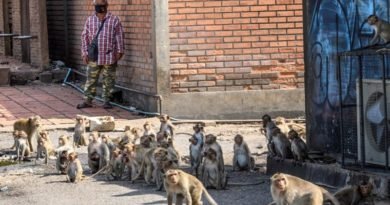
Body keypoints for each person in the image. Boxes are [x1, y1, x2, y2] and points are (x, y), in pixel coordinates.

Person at [78, 0, 124, 109]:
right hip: (93, 56)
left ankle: (107, 101)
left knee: (108, 79)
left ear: (107, 5)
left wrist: (120, 51)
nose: (99, 7)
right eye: (97, 4)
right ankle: (88, 100)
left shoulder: (114, 19)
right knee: (91, 78)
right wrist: (84, 53)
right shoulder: (90, 20)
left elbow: (119, 36)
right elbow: (85, 37)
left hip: (109, 55)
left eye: (102, 4)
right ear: (94, 6)